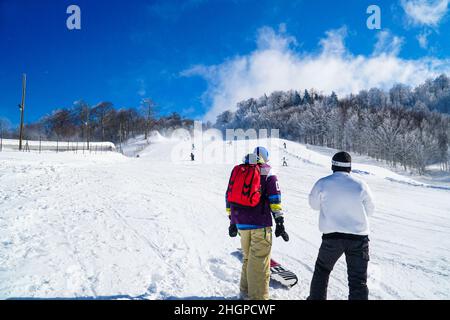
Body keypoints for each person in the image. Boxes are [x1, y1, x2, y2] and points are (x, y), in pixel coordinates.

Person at [308, 151, 375, 300]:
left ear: (333, 166)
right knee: (358, 279)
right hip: (358, 238)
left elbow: (313, 205)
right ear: (349, 167)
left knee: (322, 271)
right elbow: (371, 210)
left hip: (332, 238)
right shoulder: (360, 184)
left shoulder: (322, 183)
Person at [226, 146, 289, 300]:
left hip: (241, 224)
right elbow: (275, 199)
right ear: (265, 158)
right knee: (260, 261)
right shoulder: (266, 170)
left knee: (248, 258)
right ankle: (258, 299)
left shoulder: (239, 170)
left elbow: (229, 196)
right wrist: (279, 221)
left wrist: (233, 221)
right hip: (260, 223)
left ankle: (245, 293)